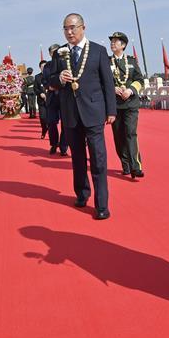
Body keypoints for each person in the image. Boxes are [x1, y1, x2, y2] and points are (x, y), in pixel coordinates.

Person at [49, 13, 116, 220]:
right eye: (66, 28)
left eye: (73, 27)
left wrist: (111, 111)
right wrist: (59, 78)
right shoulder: (59, 54)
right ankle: (81, 193)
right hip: (70, 113)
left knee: (98, 159)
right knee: (77, 158)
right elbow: (49, 81)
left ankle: (101, 204)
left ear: (83, 27)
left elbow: (108, 83)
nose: (69, 32)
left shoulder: (98, 51)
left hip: (94, 112)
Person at [108, 32, 145, 177]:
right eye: (111, 41)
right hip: (115, 105)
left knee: (130, 133)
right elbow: (101, 81)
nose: (112, 43)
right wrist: (112, 88)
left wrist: (130, 90)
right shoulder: (106, 62)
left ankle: (136, 166)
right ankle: (125, 165)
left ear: (123, 45)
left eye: (116, 41)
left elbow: (140, 80)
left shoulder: (132, 61)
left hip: (130, 104)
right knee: (119, 136)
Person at [43, 43, 68, 155]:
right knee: (51, 122)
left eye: (56, 52)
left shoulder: (65, 62)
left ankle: (64, 147)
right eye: (52, 53)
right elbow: (44, 80)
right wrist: (49, 86)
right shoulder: (47, 66)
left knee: (65, 124)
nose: (54, 54)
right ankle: (54, 144)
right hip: (52, 97)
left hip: (64, 97)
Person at [34, 60, 49, 138]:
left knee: (51, 119)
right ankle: (44, 129)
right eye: (42, 66)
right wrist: (40, 93)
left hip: (50, 100)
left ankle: (52, 134)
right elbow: (35, 88)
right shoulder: (37, 77)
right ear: (40, 67)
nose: (44, 68)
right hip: (41, 101)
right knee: (42, 117)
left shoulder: (51, 75)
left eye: (45, 66)